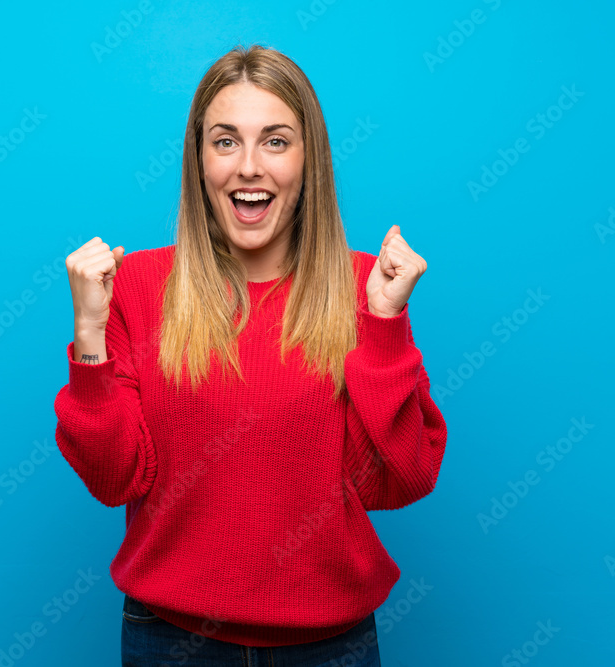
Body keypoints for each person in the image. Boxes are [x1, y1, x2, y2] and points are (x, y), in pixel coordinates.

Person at [53, 43, 448, 666]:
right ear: (199, 159)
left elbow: (399, 480)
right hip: (171, 641)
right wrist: (90, 333)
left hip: (331, 644)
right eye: (226, 141)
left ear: (309, 160)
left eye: (276, 141)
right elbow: (114, 479)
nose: (249, 167)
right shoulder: (136, 287)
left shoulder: (365, 287)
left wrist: (384, 327)